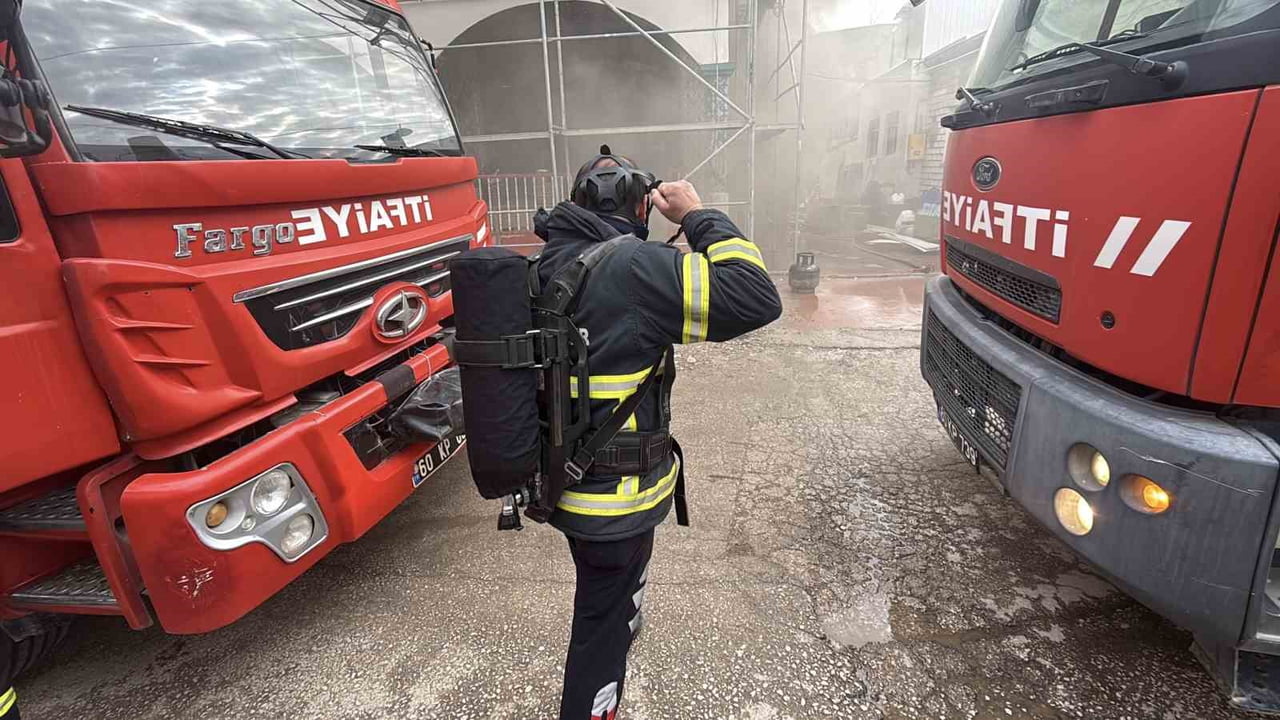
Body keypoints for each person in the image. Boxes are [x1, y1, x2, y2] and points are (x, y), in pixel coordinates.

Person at [532, 148, 782, 720]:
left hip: (561, 486)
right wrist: (698, 214)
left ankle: (624, 616)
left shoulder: (541, 265)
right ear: (641, 205)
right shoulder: (639, 268)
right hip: (618, 502)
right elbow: (755, 296)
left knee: (608, 589)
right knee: (600, 626)